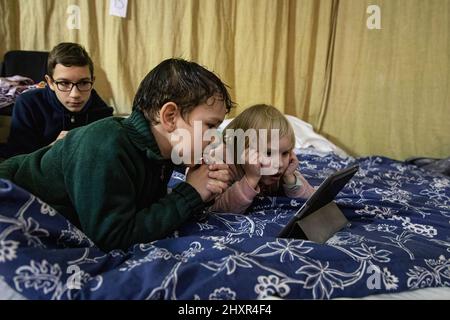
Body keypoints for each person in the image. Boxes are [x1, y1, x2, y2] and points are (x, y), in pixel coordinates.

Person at [0, 58, 234, 251]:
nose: (214, 138)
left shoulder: (160, 153)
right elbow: (112, 237)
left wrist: (205, 188)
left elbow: (145, 206)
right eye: (210, 126)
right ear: (170, 117)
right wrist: (190, 192)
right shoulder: (106, 145)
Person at [0, 42, 113, 158]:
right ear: (50, 83)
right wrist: (52, 149)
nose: (75, 94)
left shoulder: (101, 110)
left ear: (92, 81)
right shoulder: (28, 104)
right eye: (64, 83)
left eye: (84, 83)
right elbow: (16, 161)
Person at [209, 104, 316, 214]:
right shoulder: (223, 167)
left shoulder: (280, 168)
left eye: (285, 153)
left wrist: (290, 177)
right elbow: (219, 211)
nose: (279, 164)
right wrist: (250, 179)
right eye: (268, 153)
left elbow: (313, 200)